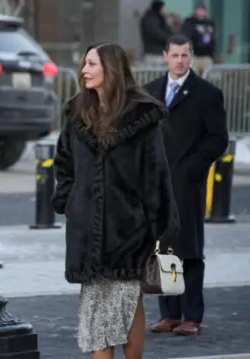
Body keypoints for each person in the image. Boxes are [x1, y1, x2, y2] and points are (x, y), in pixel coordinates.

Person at [52, 42, 180, 358]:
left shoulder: (141, 116)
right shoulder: (77, 112)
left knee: (121, 306)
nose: (84, 70)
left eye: (91, 64)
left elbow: (156, 174)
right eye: (84, 64)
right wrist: (70, 202)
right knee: (103, 314)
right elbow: (64, 163)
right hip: (87, 232)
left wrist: (154, 225)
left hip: (128, 233)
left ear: (111, 68)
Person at [145, 34, 229, 335]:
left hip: (187, 183)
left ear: (191, 57)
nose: (180, 60)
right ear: (165, 56)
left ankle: (192, 316)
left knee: (190, 250)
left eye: (185, 55)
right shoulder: (150, 92)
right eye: (175, 55)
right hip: (156, 184)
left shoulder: (207, 94)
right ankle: (170, 314)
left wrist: (193, 167)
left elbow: (218, 138)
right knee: (164, 248)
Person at [181, 3, 216, 74]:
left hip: (206, 56)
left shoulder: (209, 23)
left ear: (205, 11)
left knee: (207, 78)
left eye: (202, 10)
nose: (200, 12)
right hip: (193, 56)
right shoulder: (189, 22)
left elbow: (212, 40)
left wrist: (212, 55)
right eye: (198, 10)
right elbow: (185, 37)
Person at [140, 0, 174, 65]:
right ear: (159, 8)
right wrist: (170, 37)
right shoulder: (151, 20)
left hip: (156, 53)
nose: (165, 10)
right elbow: (158, 35)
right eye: (164, 8)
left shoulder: (156, 19)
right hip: (154, 54)